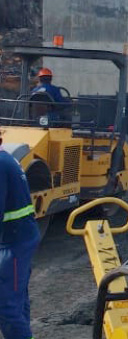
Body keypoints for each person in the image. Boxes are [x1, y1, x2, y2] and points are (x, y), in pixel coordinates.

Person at [0, 135, 41, 339]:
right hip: (20, 238)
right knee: (17, 299)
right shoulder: (5, 158)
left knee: (6, 306)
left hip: (14, 242)